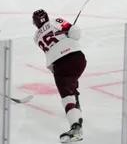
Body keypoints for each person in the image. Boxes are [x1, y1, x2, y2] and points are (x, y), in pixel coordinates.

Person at [32, 9, 87, 143]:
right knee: (71, 79)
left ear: (34, 23)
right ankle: (75, 106)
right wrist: (69, 33)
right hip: (78, 58)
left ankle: (76, 128)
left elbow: (50, 53)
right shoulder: (56, 21)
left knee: (67, 94)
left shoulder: (36, 37)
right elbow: (75, 34)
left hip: (59, 63)